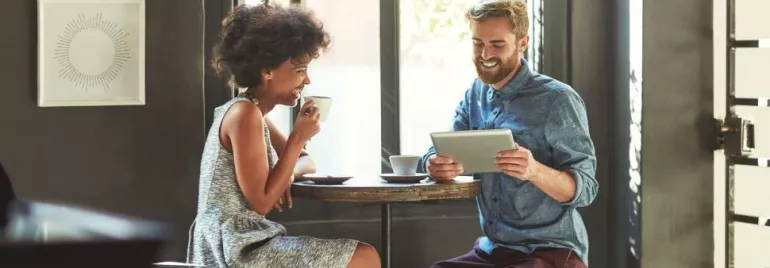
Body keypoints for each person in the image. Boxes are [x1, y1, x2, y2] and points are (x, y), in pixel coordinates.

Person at [186, 4, 380, 268]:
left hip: (245, 242)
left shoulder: (253, 112)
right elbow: (262, 202)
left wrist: (284, 174)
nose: (307, 80)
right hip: (237, 250)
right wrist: (297, 137)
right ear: (267, 71)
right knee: (364, 257)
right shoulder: (245, 115)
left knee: (363, 254)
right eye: (300, 70)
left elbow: (306, 161)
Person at [420, 1, 597, 267]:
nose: (485, 53)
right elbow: (439, 150)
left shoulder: (557, 100)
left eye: (497, 45)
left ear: (522, 43)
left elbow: (586, 189)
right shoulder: (474, 95)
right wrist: (434, 164)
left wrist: (535, 171)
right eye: (478, 43)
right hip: (495, 249)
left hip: (550, 250)